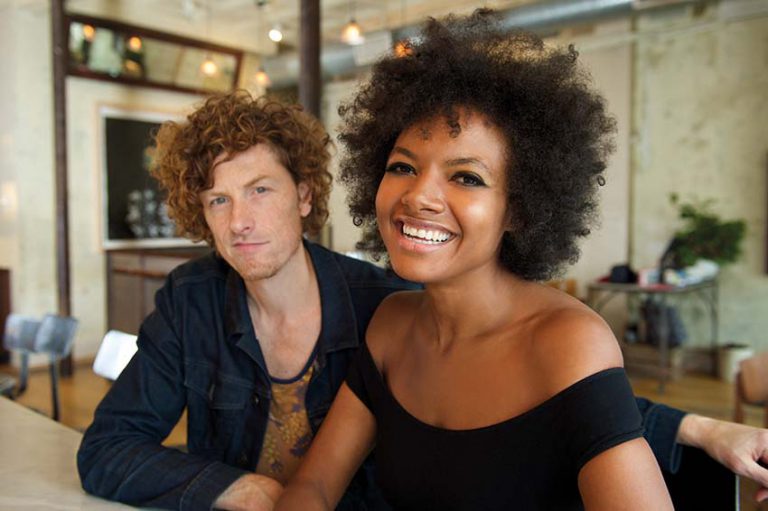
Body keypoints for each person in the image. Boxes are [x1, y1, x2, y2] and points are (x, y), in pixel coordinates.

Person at [77, 90, 768, 511]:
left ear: (307, 196)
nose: (241, 220)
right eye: (218, 199)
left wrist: (700, 429)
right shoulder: (209, 301)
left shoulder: (381, 298)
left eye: (260, 190)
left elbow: (552, 396)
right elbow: (109, 447)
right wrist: (234, 488)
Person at [275, 10, 768, 510]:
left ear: (521, 210)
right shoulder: (390, 328)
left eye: (467, 177)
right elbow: (313, 487)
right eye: (402, 166)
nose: (419, 196)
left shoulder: (568, 341)